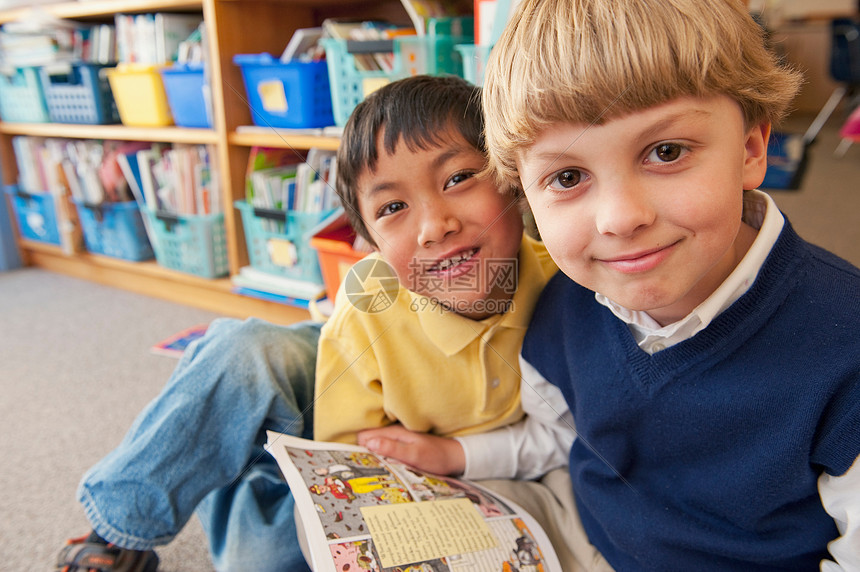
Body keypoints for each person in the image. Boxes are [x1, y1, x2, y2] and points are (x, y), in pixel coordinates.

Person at [57, 75, 565, 572]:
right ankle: (119, 531)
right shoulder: (369, 301)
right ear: (370, 242)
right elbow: (344, 455)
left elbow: (562, 433)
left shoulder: (563, 287)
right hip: (347, 398)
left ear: (512, 178)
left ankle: (239, 465)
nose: (435, 226)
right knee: (245, 355)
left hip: (455, 460)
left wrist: (453, 462)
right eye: (393, 208)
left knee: (254, 560)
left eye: (458, 179)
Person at [472, 0, 860, 569]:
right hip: (586, 537)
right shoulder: (563, 305)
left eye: (666, 151)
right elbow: (558, 438)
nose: (621, 218)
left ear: (753, 148)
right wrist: (454, 456)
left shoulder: (844, 347)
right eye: (568, 177)